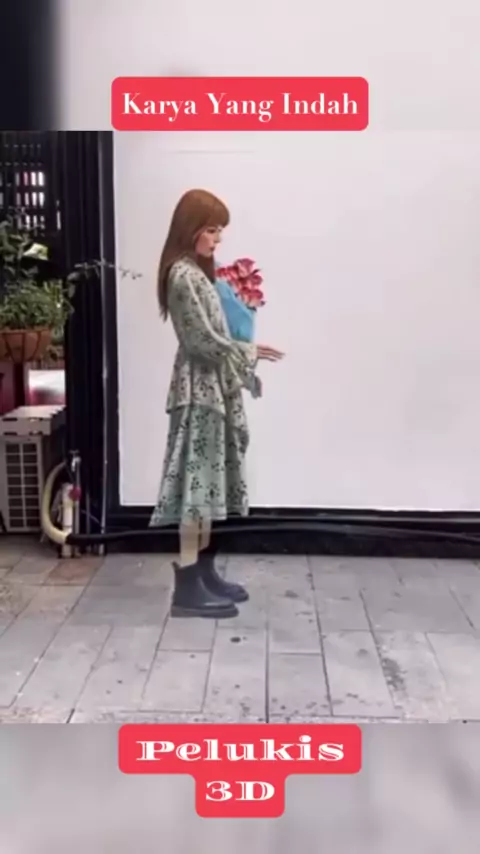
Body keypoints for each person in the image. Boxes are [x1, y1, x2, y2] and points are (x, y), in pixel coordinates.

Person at [149, 188, 284, 619]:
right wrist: (248, 350)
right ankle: (188, 585)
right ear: (191, 229)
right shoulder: (182, 275)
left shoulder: (196, 273)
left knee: (209, 484)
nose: (217, 239)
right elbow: (201, 340)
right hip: (198, 394)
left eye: (219, 231)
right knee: (197, 487)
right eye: (211, 230)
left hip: (211, 391)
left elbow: (212, 335)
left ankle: (203, 573)